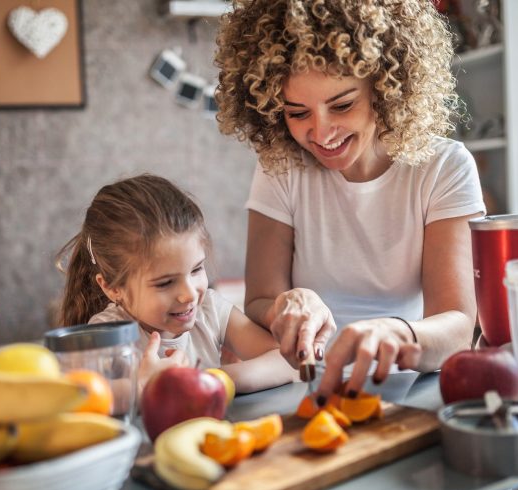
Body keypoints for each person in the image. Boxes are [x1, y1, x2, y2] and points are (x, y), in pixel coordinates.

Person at [215, 3, 484, 406]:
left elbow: (459, 326)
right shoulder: (282, 167)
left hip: (409, 385)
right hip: (304, 385)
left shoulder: (444, 168)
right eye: (297, 112)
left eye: (341, 105)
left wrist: (395, 333)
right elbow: (258, 301)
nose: (320, 133)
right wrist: (284, 307)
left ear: (385, 88)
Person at [56, 174, 297, 395]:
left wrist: (209, 381)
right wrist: (145, 386)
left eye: (196, 269)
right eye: (165, 283)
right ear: (111, 288)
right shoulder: (107, 333)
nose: (189, 294)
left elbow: (288, 361)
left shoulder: (210, 310)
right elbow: (77, 396)